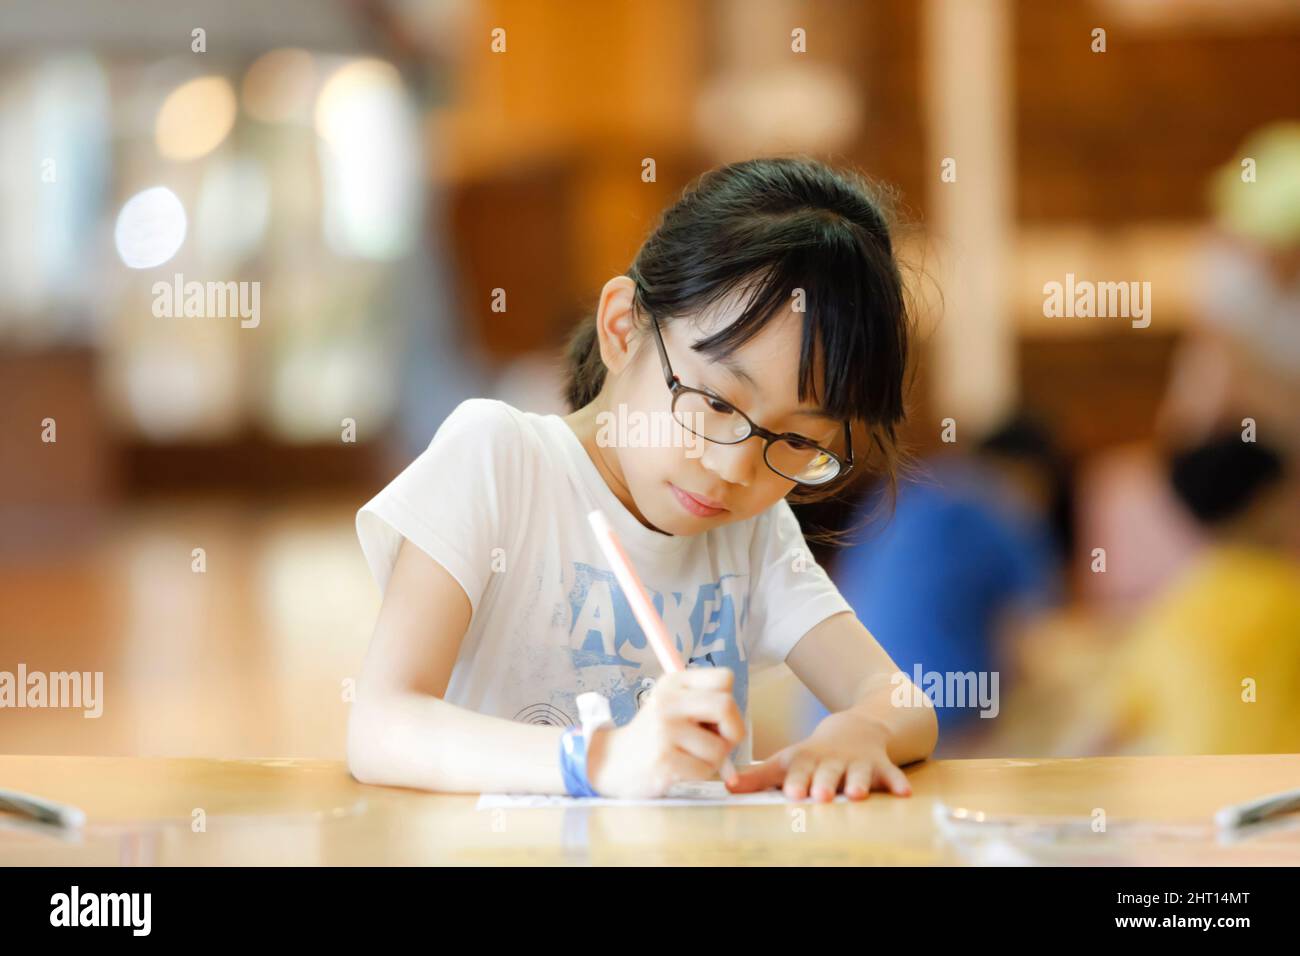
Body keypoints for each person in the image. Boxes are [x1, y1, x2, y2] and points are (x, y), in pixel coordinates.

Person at [347, 157, 937, 801]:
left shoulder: (754, 533)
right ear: (623, 328)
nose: (732, 469)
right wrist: (600, 761)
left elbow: (902, 701)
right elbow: (381, 724)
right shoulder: (498, 460)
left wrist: (858, 731)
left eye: (796, 440)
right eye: (715, 404)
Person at [817, 415, 1071, 755]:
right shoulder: (1003, 507)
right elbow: (1038, 636)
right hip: (934, 720)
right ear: (1033, 473)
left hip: (829, 712)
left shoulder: (901, 490)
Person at [1068, 432, 1300, 755]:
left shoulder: (1174, 605)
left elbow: (1103, 731)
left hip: (1191, 799)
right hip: (1277, 799)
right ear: (1267, 503)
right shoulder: (1286, 596)